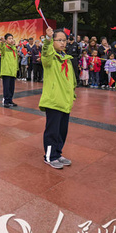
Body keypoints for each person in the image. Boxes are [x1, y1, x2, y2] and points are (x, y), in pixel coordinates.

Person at [39, 28, 76, 169]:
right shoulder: (49, 58)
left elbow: (71, 79)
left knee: (62, 130)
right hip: (54, 100)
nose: (62, 43)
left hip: (65, 101)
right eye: (59, 40)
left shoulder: (66, 58)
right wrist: (47, 40)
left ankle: (58, 153)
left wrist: (72, 94)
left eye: (64, 40)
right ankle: (50, 156)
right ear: (53, 41)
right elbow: (45, 51)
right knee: (52, 131)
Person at [0, 33, 18, 108]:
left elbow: (16, 59)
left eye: (12, 38)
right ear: (6, 40)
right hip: (6, 71)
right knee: (6, 87)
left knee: (12, 87)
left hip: (12, 71)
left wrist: (16, 69)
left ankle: (10, 100)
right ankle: (6, 100)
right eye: (9, 39)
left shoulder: (14, 48)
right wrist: (2, 42)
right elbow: (2, 48)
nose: (11, 40)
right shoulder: (4, 48)